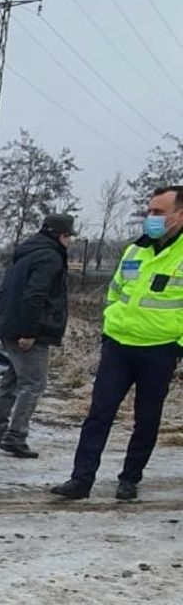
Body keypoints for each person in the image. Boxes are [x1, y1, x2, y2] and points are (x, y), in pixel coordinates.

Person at [52, 186, 183, 501]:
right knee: (99, 413)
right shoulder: (134, 250)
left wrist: (177, 345)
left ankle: (129, 479)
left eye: (158, 212)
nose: (151, 218)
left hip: (159, 350)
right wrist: (110, 325)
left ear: (179, 216)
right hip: (118, 346)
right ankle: (81, 480)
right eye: (149, 211)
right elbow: (115, 291)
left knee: (146, 419)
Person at [0, 213, 75, 458]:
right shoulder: (51, 257)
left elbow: (2, 289)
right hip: (29, 330)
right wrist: (29, 331)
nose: (69, 242)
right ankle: (15, 436)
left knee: (12, 379)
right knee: (34, 384)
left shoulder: (26, 252)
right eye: (69, 236)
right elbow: (36, 295)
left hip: (8, 325)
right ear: (62, 235)